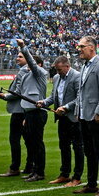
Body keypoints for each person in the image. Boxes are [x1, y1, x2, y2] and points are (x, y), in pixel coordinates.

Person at [0, 40, 49, 181]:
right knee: (33, 143)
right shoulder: (27, 75)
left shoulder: (39, 74)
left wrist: (23, 47)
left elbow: (32, 64)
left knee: (37, 143)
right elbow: (19, 92)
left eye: (29, 62)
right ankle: (34, 170)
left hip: (37, 112)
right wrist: (6, 96)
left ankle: (39, 172)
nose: (28, 65)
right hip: (29, 111)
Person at [71, 36, 99, 196]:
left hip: (96, 116)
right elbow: (81, 92)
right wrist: (77, 110)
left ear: (92, 48)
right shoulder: (84, 66)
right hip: (84, 115)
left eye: (82, 46)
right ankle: (91, 184)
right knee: (89, 151)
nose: (79, 49)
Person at [39, 55, 83, 186]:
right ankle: (64, 174)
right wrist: (44, 102)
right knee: (63, 146)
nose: (57, 72)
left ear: (67, 66)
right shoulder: (57, 78)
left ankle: (77, 177)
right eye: (56, 70)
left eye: (59, 69)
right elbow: (54, 96)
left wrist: (66, 107)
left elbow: (80, 98)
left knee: (77, 148)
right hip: (62, 118)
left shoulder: (77, 76)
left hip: (74, 118)